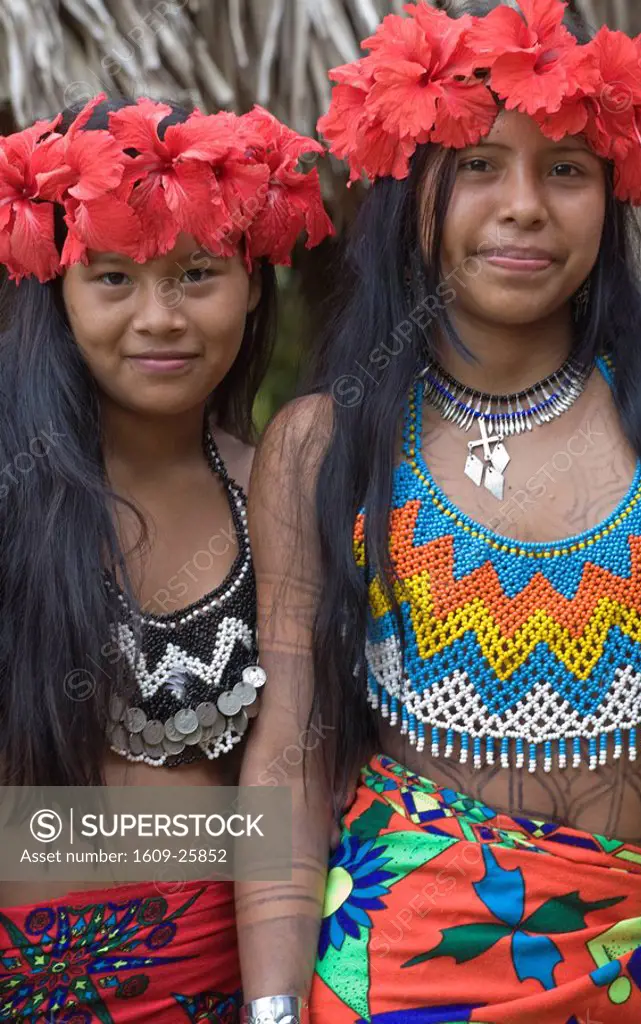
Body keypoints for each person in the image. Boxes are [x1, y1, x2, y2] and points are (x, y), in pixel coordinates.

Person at [237, 1, 641, 1021]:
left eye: (566, 169)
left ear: (614, 196)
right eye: (479, 164)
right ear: (408, 195)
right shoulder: (322, 443)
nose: (524, 205)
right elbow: (290, 747)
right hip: (396, 967)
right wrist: (270, 1007)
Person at [0, 93, 332, 1021]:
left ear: (256, 280)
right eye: (112, 278)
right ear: (54, 286)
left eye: (197, 273)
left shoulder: (281, 490)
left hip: (229, 988)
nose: (160, 316)